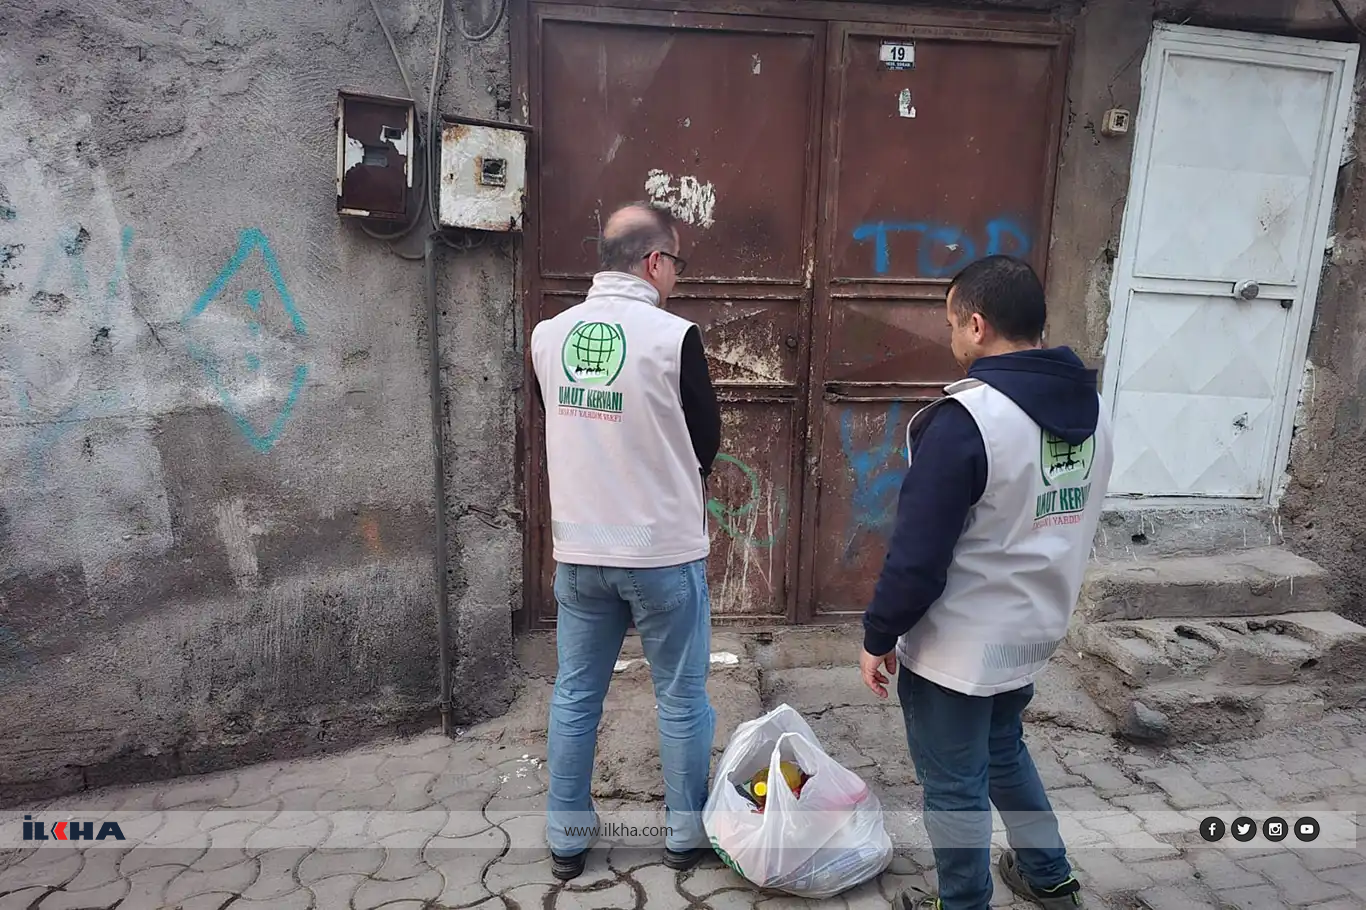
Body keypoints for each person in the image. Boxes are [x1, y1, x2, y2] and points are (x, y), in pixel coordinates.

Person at [858, 255, 1113, 910]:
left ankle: (964, 901)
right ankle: (1048, 875)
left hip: (959, 648)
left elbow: (917, 557)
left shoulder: (967, 421)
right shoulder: (1093, 414)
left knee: (953, 784)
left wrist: (879, 633)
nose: (949, 338)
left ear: (976, 326)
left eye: (950, 323)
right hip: (1032, 630)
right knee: (1002, 747)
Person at [530, 201, 721, 880]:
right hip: (660, 553)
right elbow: (708, 444)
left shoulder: (548, 335)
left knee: (577, 694)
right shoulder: (674, 337)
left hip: (581, 550)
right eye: (676, 263)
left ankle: (566, 841)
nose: (676, 277)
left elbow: (561, 419)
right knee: (681, 695)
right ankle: (682, 835)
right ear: (654, 262)